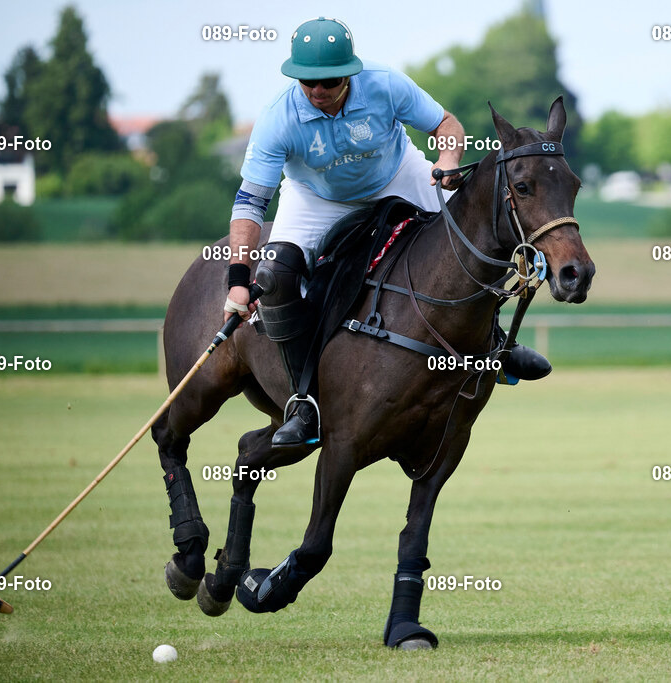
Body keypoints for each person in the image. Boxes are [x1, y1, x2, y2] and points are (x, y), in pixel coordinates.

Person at [223, 17, 551, 449]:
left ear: (349, 74)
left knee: (469, 240)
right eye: (307, 82)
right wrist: (238, 280)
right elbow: (250, 203)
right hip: (316, 197)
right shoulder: (277, 119)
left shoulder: (384, 84)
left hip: (397, 175)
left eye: (329, 81)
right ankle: (304, 404)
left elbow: (446, 124)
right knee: (277, 275)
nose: (317, 90)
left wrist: (448, 161)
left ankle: (496, 344)